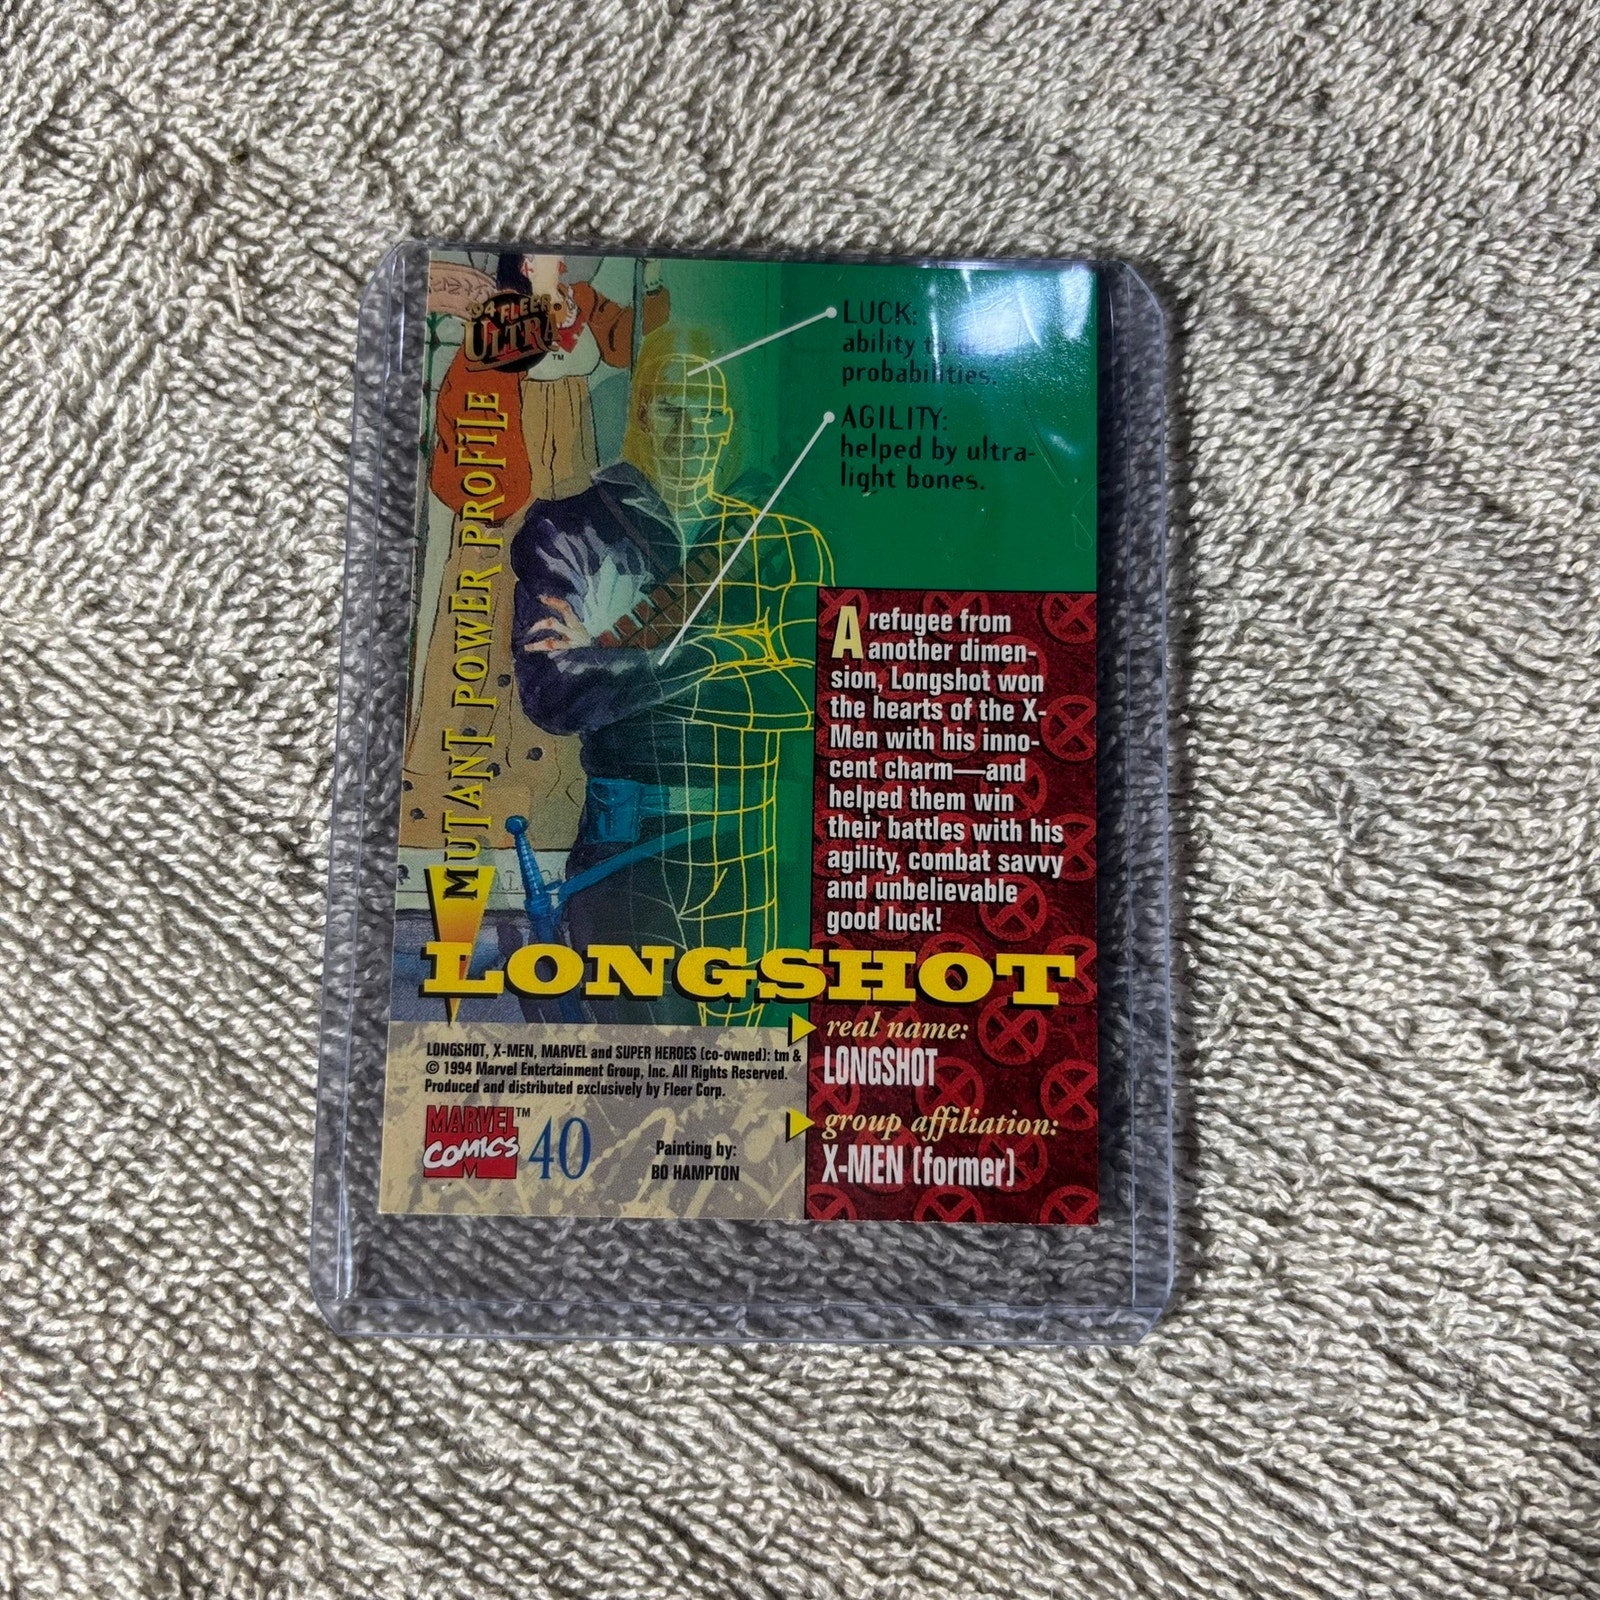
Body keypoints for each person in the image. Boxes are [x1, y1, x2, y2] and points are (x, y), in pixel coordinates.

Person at [510, 333, 832, 1026]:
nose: (690, 431)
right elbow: (555, 694)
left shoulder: (785, 542)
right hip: (623, 846)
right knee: (634, 1061)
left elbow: (817, 691)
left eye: (708, 411)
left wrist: (613, 660)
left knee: (740, 1066)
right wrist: (720, 653)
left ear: (729, 425)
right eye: (669, 408)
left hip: (747, 846)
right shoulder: (569, 531)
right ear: (640, 416)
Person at [400, 255, 669, 853]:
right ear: (524, 264)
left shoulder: (581, 301)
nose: (563, 262)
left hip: (570, 458)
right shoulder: (502, 318)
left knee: (566, 612)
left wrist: (651, 284)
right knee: (492, 614)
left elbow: (628, 342)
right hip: (512, 474)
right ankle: (453, 808)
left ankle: (551, 810)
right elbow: (471, 397)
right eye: (548, 257)